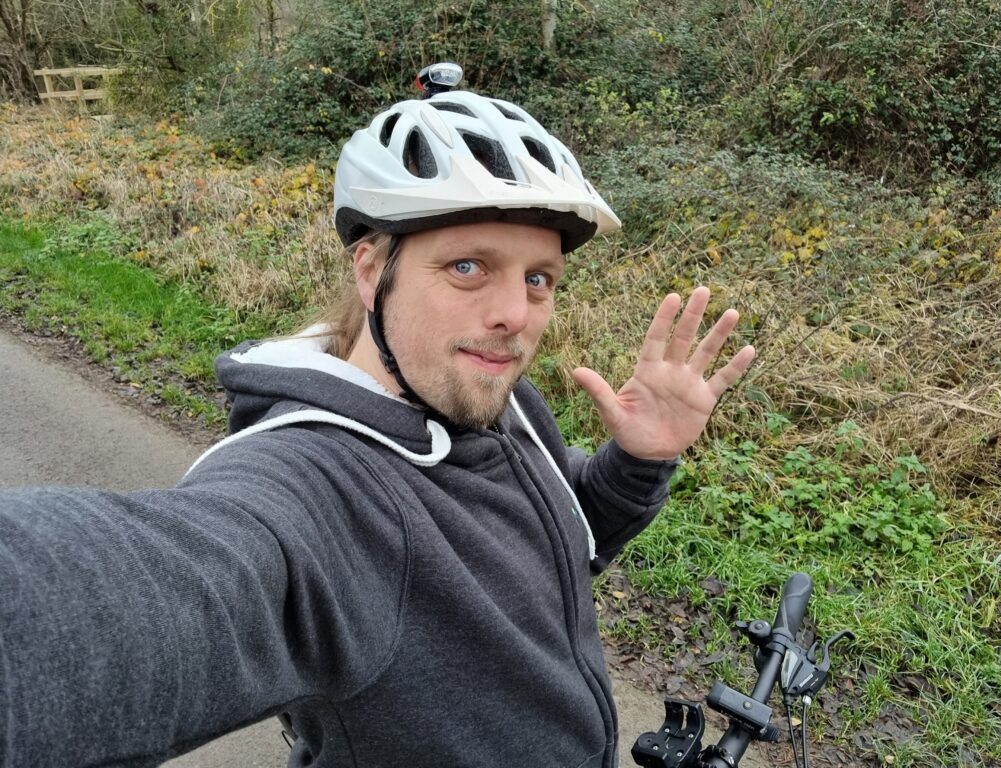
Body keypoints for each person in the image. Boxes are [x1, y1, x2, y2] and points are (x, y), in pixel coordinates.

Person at [0, 67, 755, 768]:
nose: (513, 315)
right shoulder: (319, 490)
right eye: (468, 267)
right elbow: (157, 584)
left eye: (538, 278)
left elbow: (560, 543)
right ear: (371, 268)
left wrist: (640, 461)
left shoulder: (497, 397)